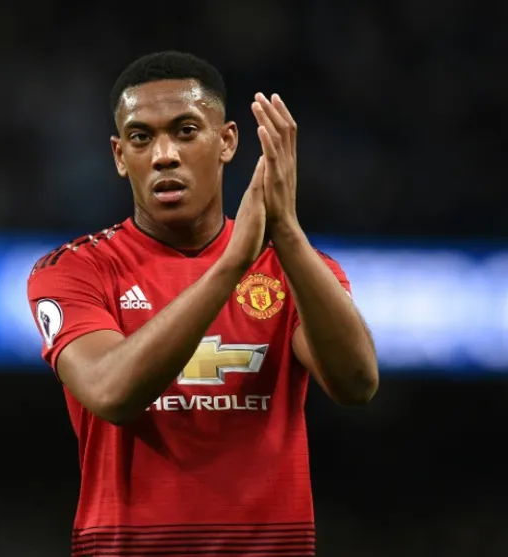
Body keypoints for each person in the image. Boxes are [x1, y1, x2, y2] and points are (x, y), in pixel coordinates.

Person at [27, 50, 378, 556]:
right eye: (141, 138)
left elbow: (357, 383)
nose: (164, 155)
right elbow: (110, 392)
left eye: (186, 131)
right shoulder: (75, 270)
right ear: (120, 156)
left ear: (227, 141)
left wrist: (286, 233)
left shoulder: (296, 270)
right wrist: (231, 266)